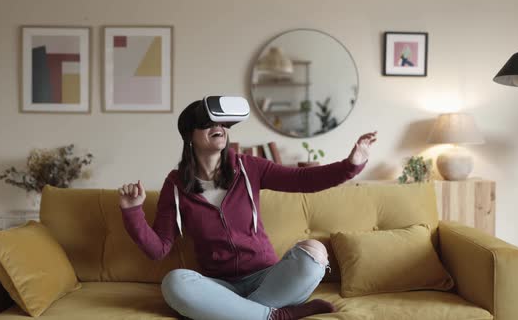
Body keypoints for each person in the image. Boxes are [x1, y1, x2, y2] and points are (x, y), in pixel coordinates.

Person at [118, 99, 377, 320]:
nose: (219, 127)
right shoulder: (175, 186)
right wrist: (132, 212)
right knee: (174, 282)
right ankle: (276, 315)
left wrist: (350, 165)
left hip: (267, 278)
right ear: (189, 134)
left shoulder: (248, 167)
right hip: (220, 287)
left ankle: (240, 314)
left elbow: (302, 180)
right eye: (208, 123)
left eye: (222, 123)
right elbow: (157, 249)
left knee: (314, 252)